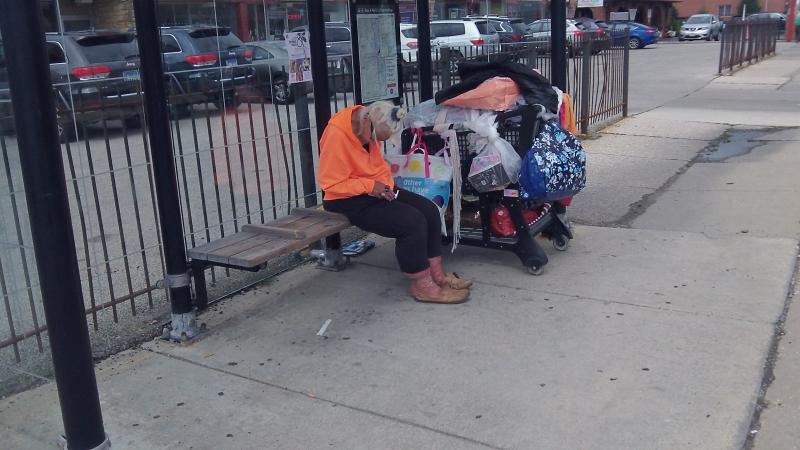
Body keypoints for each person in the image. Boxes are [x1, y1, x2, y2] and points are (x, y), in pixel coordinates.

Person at [318, 101, 472, 304]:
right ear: (366, 120)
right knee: (411, 222)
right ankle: (422, 285)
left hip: (373, 189)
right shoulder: (337, 133)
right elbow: (331, 183)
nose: (375, 141)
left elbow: (378, 167)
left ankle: (437, 275)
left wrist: (385, 187)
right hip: (345, 198)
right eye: (374, 136)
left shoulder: (368, 122)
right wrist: (371, 187)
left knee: (429, 211)